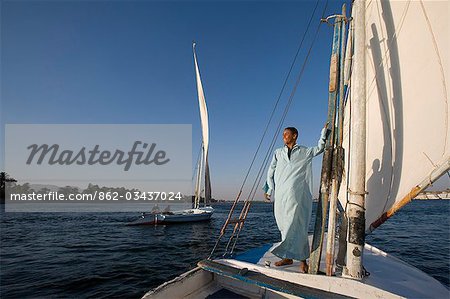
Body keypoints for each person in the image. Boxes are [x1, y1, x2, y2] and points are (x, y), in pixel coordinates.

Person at [265, 123, 328, 273]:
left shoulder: (304, 152)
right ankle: (288, 257)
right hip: (281, 196)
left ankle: (303, 260)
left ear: (294, 136)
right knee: (284, 225)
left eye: (287, 134)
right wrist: (269, 188)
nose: (284, 137)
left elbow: (320, 148)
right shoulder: (278, 152)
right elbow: (271, 171)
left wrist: (323, 132)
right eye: (283, 135)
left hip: (297, 196)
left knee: (298, 225)